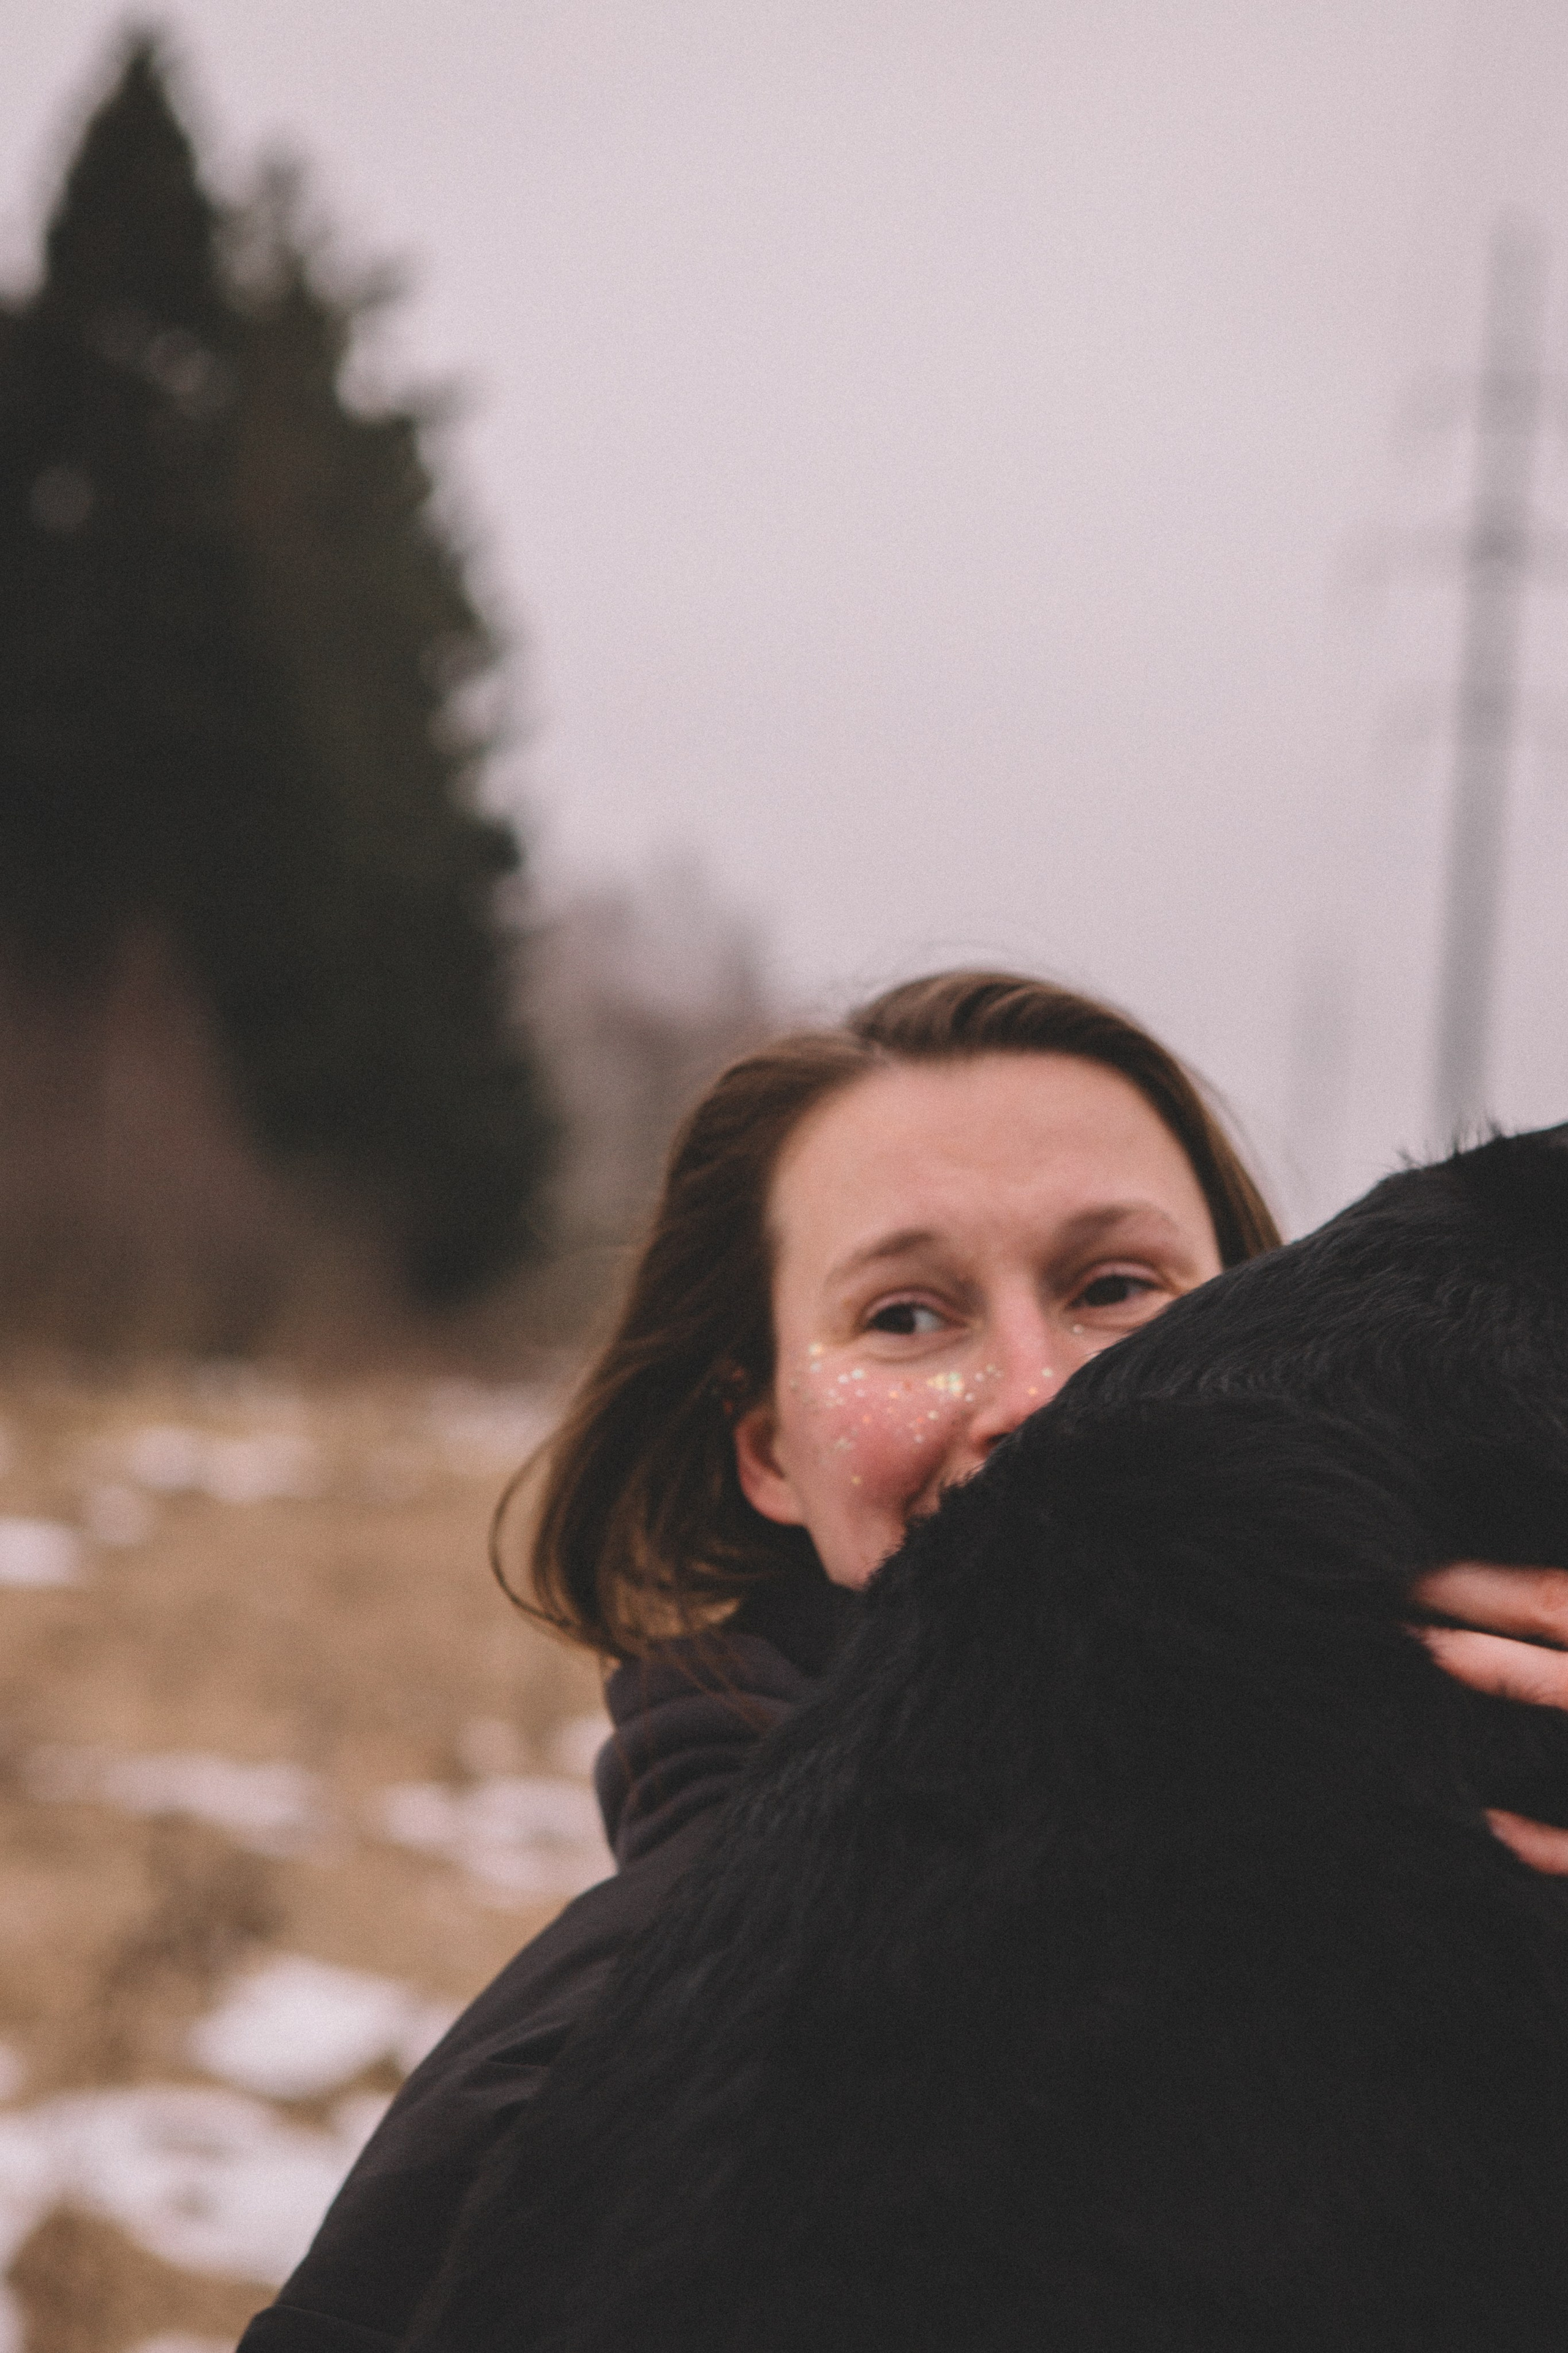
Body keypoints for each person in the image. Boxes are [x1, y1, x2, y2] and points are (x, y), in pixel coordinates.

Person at [239, 969, 1568, 2352]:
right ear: (767, 1450)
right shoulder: (572, 2054)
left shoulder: (1467, 1815)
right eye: (904, 1317)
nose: (1035, 1395)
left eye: (1117, 1288)